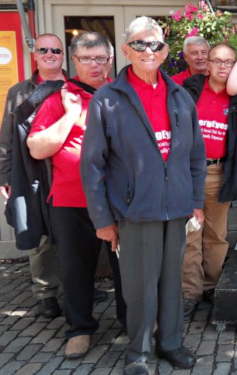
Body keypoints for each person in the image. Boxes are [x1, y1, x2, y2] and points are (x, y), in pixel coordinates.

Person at [80, 17, 206, 375]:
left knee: (171, 284)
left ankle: (171, 342)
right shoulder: (108, 99)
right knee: (139, 289)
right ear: (126, 50)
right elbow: (92, 166)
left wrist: (195, 203)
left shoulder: (181, 96)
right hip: (136, 211)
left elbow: (195, 157)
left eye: (154, 45)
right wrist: (103, 220)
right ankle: (138, 352)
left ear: (165, 52)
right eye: (139, 44)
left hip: (177, 208)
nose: (147, 51)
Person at [27, 31, 127, 358]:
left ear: (111, 59)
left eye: (100, 58)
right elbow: (37, 148)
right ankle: (79, 329)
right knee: (75, 269)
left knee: (127, 266)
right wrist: (70, 116)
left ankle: (132, 321)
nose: (94, 65)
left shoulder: (122, 95)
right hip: (71, 200)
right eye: (86, 58)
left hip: (117, 200)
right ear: (75, 61)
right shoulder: (59, 98)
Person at [181, 43, 237, 317]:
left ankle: (212, 286)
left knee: (216, 236)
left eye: (229, 62)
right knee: (190, 236)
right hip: (188, 174)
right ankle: (189, 294)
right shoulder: (190, 89)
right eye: (217, 61)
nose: (222, 66)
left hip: (221, 172)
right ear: (206, 64)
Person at [0, 33, 66, 319]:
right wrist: (5, 175)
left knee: (74, 234)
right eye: (44, 50)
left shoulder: (77, 86)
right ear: (35, 55)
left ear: (64, 55)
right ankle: (46, 293)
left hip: (68, 172)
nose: (50, 53)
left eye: (56, 50)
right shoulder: (19, 92)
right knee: (40, 236)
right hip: (32, 172)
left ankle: (77, 286)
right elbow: (6, 137)